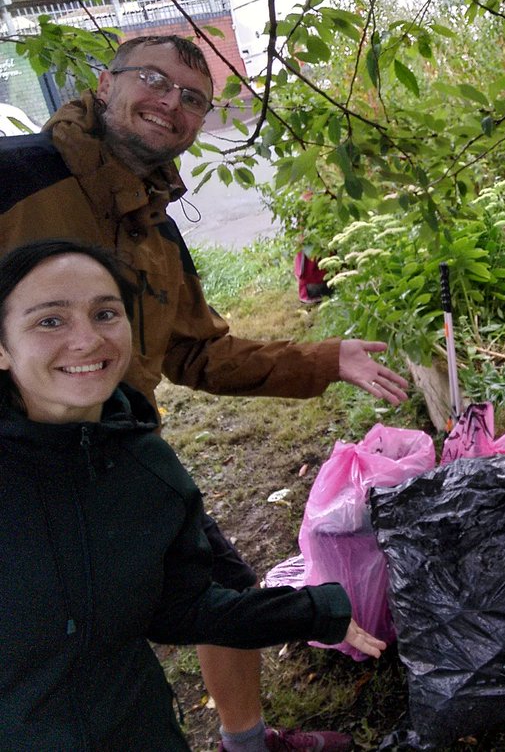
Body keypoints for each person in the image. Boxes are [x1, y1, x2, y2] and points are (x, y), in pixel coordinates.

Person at [0, 35, 408, 752]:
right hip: (20, 461)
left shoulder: (156, 226)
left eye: (193, 98)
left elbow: (193, 350)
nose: (172, 104)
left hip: (119, 449)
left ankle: (245, 742)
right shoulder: (16, 178)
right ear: (106, 83)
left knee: (219, 590)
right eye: (154, 80)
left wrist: (324, 359)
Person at [0, 239, 386, 749]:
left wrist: (313, 610)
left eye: (106, 313)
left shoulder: (148, 470)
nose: (87, 340)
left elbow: (179, 607)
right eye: (50, 321)